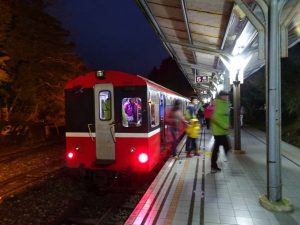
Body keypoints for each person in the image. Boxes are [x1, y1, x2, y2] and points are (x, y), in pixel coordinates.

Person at [210, 91, 231, 173]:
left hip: (222, 131)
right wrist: (224, 126)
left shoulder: (224, 103)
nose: (227, 97)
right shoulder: (218, 104)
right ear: (221, 96)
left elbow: (224, 116)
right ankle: (214, 165)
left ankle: (214, 165)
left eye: (227, 96)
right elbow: (215, 118)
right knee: (221, 148)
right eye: (226, 96)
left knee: (220, 148)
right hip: (219, 131)